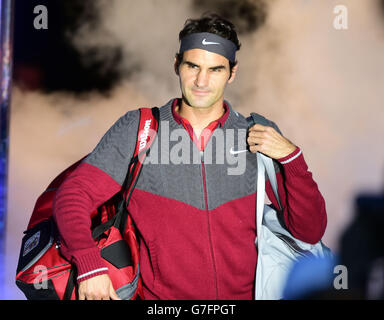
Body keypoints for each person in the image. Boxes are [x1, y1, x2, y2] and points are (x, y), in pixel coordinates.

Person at [52, 13, 327, 300]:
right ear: (176, 65)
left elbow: (309, 231)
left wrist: (292, 159)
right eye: (192, 66)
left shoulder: (256, 134)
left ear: (232, 73)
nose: (201, 81)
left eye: (215, 70)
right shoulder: (140, 129)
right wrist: (89, 267)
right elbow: (73, 195)